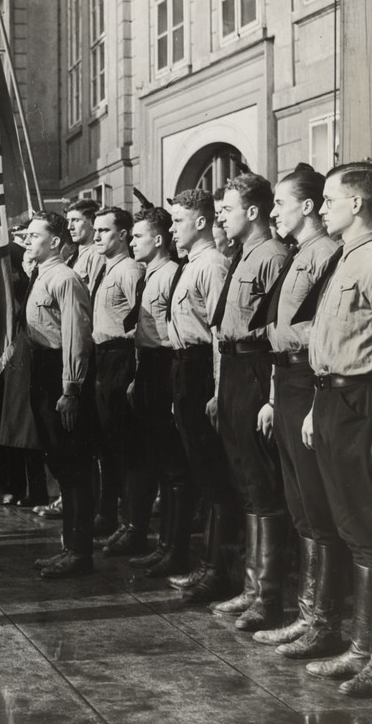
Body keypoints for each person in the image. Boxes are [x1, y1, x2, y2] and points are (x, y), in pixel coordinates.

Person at [247, 164, 345, 657]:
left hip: (309, 377)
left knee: (315, 506)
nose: (274, 212)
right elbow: (274, 330)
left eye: (281, 204)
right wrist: (270, 395)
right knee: (298, 503)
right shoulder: (297, 254)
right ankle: (307, 616)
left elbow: (320, 334)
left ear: (307, 207)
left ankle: (322, 622)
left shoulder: (326, 253)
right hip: (284, 376)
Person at [299, 163, 372, 703]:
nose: (322, 206)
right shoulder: (346, 258)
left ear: (357, 204)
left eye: (329, 199)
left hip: (362, 402)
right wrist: (314, 406)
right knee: (352, 526)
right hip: (331, 398)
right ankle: (360, 647)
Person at [210, 172, 289, 632]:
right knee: (244, 479)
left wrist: (270, 394)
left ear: (252, 212)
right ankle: (252, 587)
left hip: (258, 368)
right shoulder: (242, 255)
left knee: (262, 481)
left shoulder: (273, 256)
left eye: (228, 208)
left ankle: (270, 595)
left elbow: (277, 329)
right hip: (234, 370)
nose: (221, 215)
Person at [164, 190, 234, 605]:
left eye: (179, 221)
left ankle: (217, 571)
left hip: (202, 370)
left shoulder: (212, 266)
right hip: (184, 368)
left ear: (202, 222)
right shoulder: (192, 265)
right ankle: (207, 566)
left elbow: (219, 334)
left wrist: (217, 390)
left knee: (214, 475)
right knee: (203, 474)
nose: (173, 228)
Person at [20, 212, 95, 578]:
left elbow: (75, 336)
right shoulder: (41, 275)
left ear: (54, 241)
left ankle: (80, 553)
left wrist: (71, 388)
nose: (28, 240)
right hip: (42, 370)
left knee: (74, 465)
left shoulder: (65, 278)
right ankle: (70, 547)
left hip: (59, 375)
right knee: (61, 465)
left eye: (35, 235)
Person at [125, 206, 191, 577]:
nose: (133, 242)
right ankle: (163, 545)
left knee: (173, 465)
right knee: (158, 461)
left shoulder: (171, 275)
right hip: (148, 367)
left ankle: (175, 549)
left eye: (138, 236)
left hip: (166, 366)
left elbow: (172, 333)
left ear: (159, 239)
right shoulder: (151, 274)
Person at [90, 207, 144, 549]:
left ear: (123, 234)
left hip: (121, 358)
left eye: (104, 230)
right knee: (106, 443)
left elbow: (143, 324)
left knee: (126, 445)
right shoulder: (106, 268)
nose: (96, 236)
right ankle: (107, 513)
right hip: (103, 358)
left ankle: (131, 522)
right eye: (95, 230)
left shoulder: (130, 270)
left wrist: (134, 373)